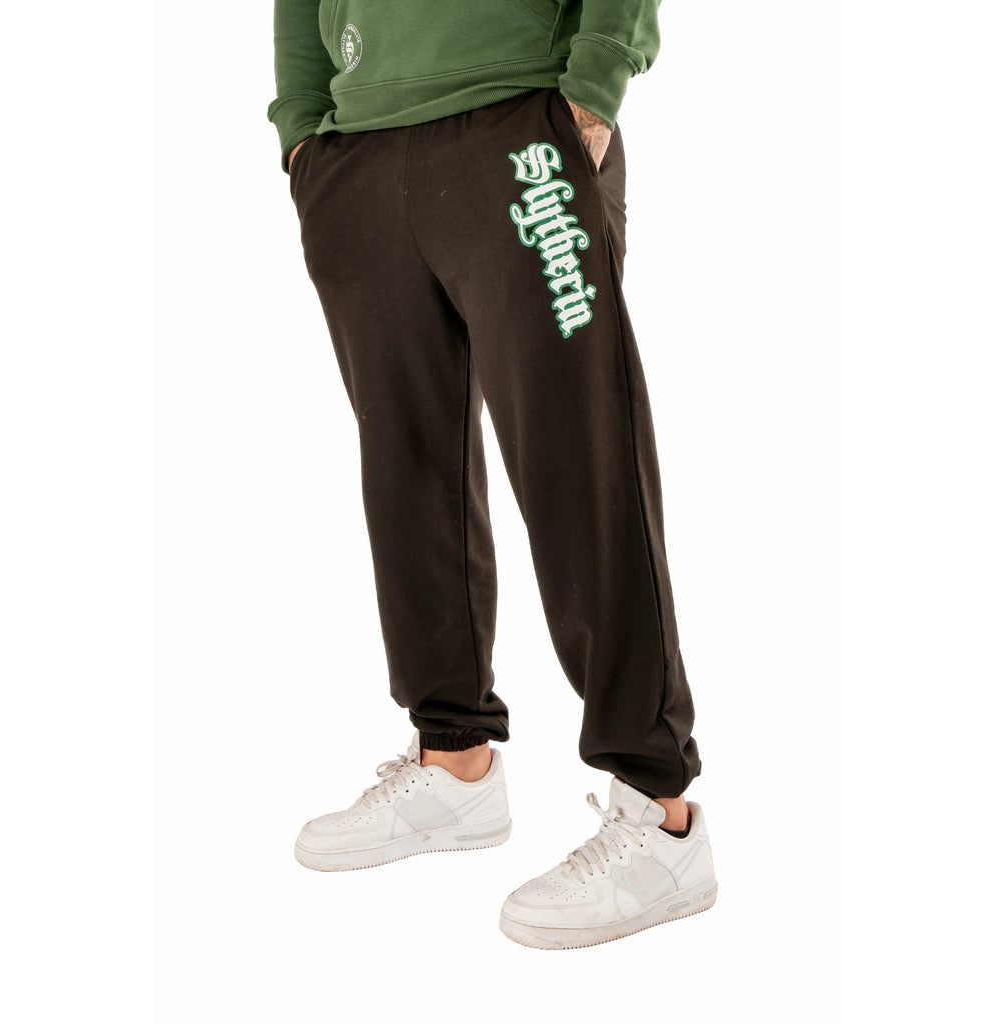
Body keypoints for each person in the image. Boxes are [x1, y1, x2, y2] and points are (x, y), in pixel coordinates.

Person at [268, 0, 717, 949]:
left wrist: (593, 88)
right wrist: (304, 129)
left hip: (521, 124)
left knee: (579, 460)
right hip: (358, 151)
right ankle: (453, 761)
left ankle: (659, 812)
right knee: (406, 464)